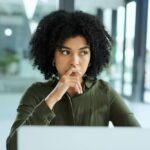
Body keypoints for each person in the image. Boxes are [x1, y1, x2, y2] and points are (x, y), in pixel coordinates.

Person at [6, 10, 140, 150]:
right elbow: (13, 146)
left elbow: (138, 139)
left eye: (83, 52)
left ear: (91, 57)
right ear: (52, 56)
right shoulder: (35, 93)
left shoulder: (105, 92)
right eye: (65, 52)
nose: (74, 62)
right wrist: (53, 98)